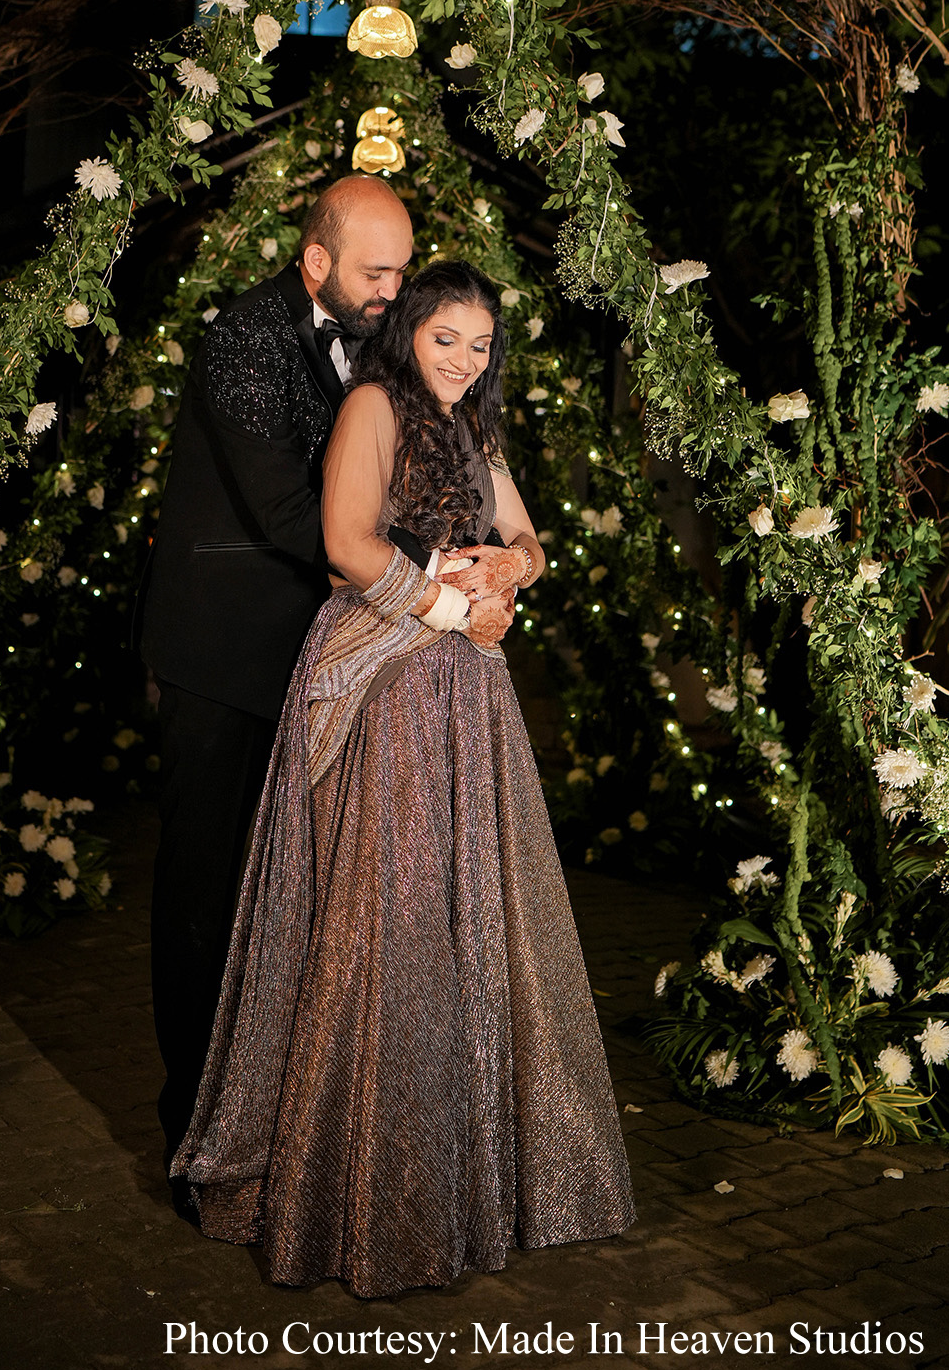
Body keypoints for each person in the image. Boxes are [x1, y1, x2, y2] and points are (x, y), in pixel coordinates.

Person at [171, 260, 635, 1297]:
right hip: (380, 675)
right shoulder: (372, 405)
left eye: (480, 345)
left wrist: (511, 572)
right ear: (409, 332)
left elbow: (524, 535)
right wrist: (446, 608)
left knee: (466, 913)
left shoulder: (472, 425)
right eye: (447, 339)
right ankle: (360, 1181)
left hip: (465, 688)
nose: (465, 360)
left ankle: (457, 1172)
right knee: (391, 916)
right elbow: (344, 546)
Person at [138, 174, 414, 1163]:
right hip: (224, 660)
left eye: (403, 269)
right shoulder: (245, 338)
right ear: (315, 263)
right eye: (375, 271)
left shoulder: (382, 338)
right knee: (206, 904)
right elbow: (298, 520)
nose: (393, 288)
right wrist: (426, 577)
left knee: (301, 901)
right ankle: (197, 1137)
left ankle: (283, 1115)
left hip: (319, 663)